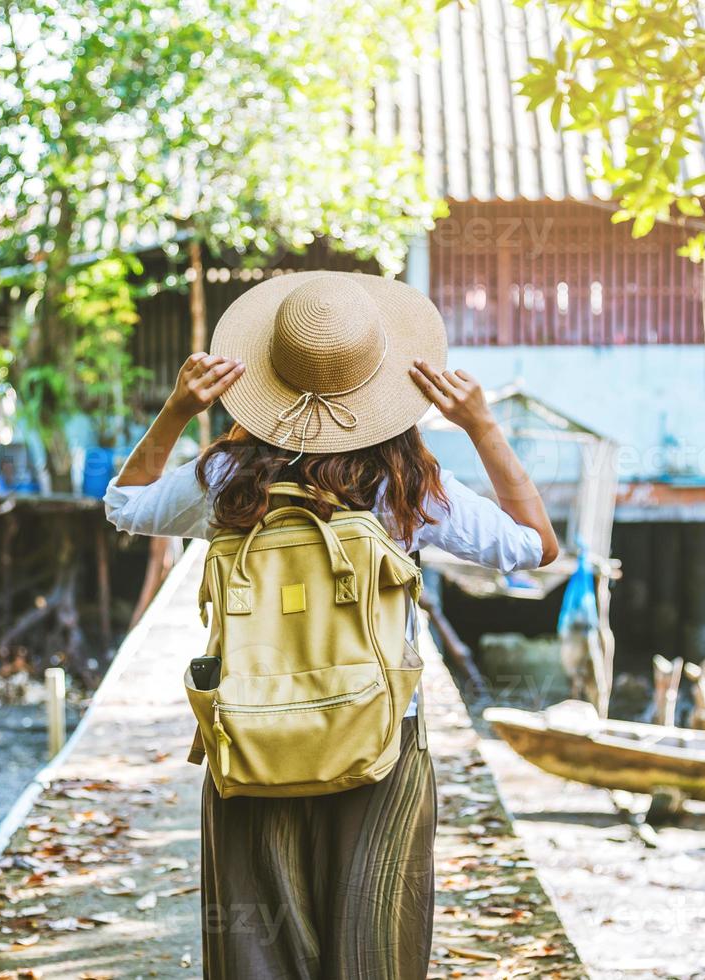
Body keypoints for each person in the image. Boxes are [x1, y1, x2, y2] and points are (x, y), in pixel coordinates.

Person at [104, 271, 559, 979]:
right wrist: (482, 425)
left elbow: (124, 506)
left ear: (267, 376)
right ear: (378, 382)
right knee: (372, 948)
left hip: (251, 738)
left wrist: (175, 411)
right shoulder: (406, 486)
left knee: (259, 951)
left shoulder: (226, 479)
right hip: (376, 740)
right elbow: (536, 545)